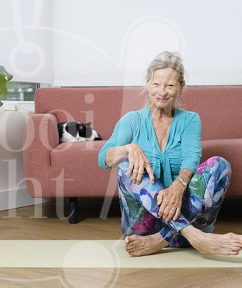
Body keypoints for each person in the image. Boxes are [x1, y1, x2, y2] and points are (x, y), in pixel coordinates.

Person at [98, 51, 242, 256]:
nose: (162, 92)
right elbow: (103, 159)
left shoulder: (190, 120)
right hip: (144, 228)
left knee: (220, 165)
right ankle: (195, 237)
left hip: (180, 223)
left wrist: (178, 187)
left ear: (181, 87)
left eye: (170, 85)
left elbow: (191, 159)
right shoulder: (132, 120)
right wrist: (128, 148)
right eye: (156, 84)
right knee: (124, 163)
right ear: (148, 84)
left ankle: (164, 239)